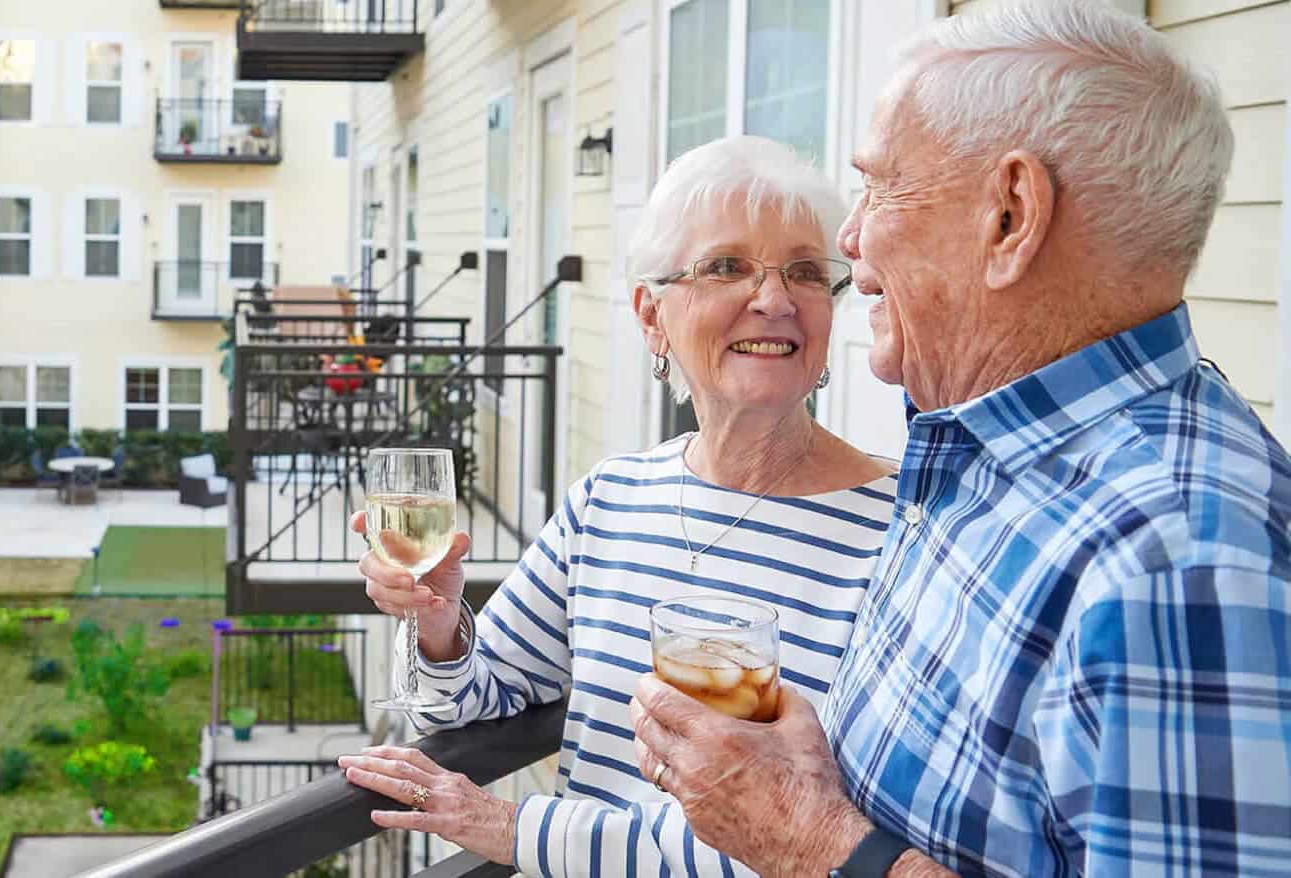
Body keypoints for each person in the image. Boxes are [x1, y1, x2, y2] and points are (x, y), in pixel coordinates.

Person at [629, 2, 1291, 876]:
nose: (852, 246)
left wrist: (811, 841)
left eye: (880, 187)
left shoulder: (1179, 563)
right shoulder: (986, 458)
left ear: (1011, 216)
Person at [336, 135, 897, 875]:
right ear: (651, 317)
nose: (773, 298)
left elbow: (800, 836)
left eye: (804, 271)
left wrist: (515, 829)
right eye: (727, 266)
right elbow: (465, 701)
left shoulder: (898, 530)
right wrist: (437, 623)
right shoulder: (611, 499)